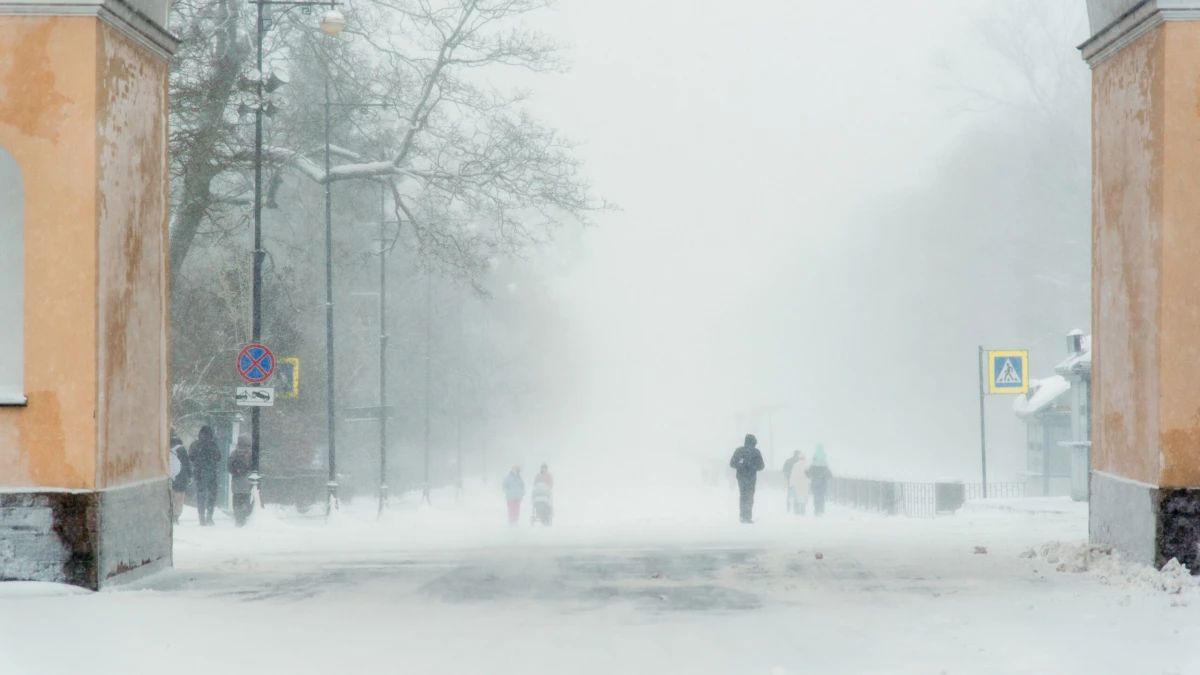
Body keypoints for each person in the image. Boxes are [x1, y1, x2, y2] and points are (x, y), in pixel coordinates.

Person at [729, 433, 765, 523]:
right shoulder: (756, 452)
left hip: (741, 477)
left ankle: (742, 516)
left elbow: (732, 463)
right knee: (750, 496)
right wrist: (753, 466)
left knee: (743, 495)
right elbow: (761, 466)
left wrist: (740, 465)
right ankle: (748, 517)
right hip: (751, 477)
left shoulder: (739, 451)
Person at [190, 426, 222, 526]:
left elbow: (191, 457)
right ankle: (209, 515)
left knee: (200, 495)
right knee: (212, 495)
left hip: (199, 473)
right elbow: (218, 457)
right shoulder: (213, 445)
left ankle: (201, 517)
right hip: (211, 473)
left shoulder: (195, 444)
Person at [228, 434, 254, 527]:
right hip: (247, 482)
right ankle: (243, 518)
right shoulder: (251, 453)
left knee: (236, 501)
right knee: (245, 500)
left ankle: (238, 519)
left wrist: (236, 472)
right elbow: (253, 467)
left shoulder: (234, 453)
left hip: (236, 482)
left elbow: (229, 468)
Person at [169, 430, 190, 525]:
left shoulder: (165, 447)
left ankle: (171, 513)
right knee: (179, 497)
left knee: (171, 496)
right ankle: (176, 515)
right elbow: (186, 464)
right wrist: (189, 475)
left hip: (169, 475)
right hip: (181, 476)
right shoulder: (181, 449)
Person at [805, 444, 833, 517]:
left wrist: (806, 471)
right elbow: (830, 475)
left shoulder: (813, 464)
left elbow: (808, 475)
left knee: (816, 496)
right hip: (823, 483)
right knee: (821, 496)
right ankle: (821, 509)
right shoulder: (825, 464)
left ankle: (816, 510)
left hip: (815, 483)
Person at [787, 450, 810, 515]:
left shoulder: (795, 465)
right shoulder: (807, 465)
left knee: (796, 497)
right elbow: (809, 476)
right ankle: (803, 511)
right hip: (804, 484)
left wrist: (791, 484)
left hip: (797, 484)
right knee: (803, 497)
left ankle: (796, 511)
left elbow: (793, 475)